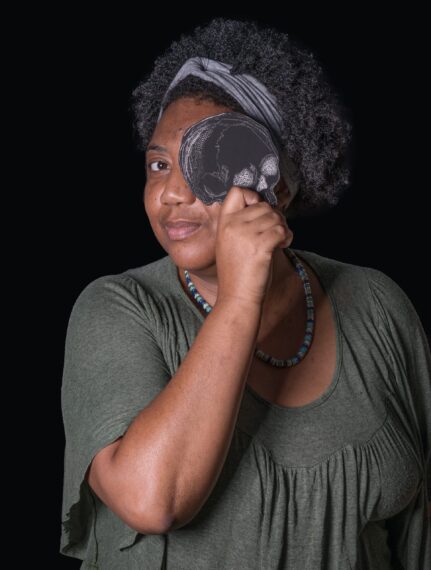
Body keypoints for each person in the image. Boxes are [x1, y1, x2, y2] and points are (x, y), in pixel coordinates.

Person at [60, 18, 431, 569]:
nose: (171, 193)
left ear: (276, 183)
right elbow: (153, 500)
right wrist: (238, 300)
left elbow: (418, 531)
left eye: (207, 162)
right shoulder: (117, 309)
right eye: (158, 165)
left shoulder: (378, 307)